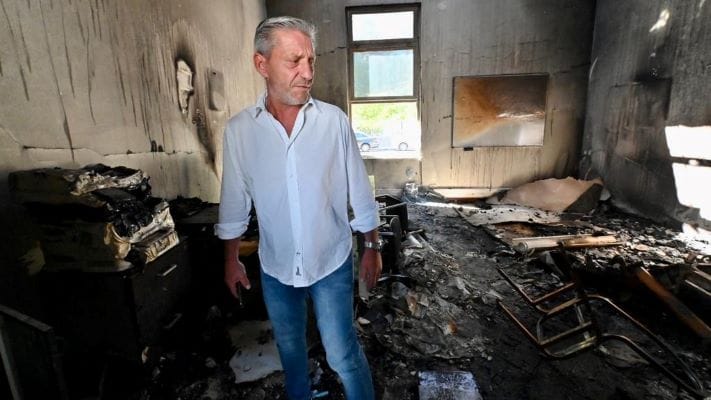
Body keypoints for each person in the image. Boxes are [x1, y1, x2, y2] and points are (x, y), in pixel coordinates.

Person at [214, 16, 382, 400]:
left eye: (311, 61)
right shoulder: (241, 131)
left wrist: (372, 247)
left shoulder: (333, 123)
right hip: (276, 268)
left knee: (342, 354)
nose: (307, 73)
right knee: (291, 356)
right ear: (261, 64)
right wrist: (231, 259)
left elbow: (360, 191)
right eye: (294, 61)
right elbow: (234, 203)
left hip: (331, 262)